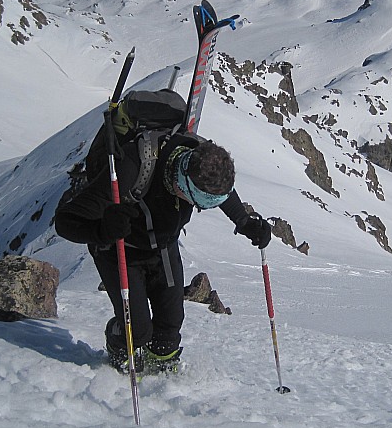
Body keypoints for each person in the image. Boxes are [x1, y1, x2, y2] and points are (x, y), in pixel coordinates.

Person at [54, 125, 272, 374]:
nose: (203, 207)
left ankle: (160, 371)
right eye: (201, 202)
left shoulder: (198, 157)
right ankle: (118, 354)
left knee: (170, 325)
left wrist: (243, 222)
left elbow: (224, 194)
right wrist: (103, 230)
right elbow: (65, 222)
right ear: (184, 183)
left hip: (163, 248)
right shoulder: (132, 170)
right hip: (120, 250)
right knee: (136, 330)